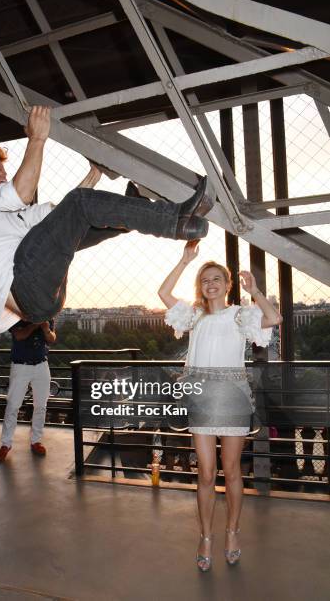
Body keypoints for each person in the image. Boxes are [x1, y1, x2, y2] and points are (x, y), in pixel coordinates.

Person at [0, 106, 215, 335]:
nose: (2, 178)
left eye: (3, 173)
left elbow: (63, 214)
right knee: (80, 203)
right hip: (24, 287)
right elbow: (22, 193)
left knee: (79, 218)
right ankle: (175, 220)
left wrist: (94, 174)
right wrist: (37, 138)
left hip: (43, 299)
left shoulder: (13, 219)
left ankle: (138, 207)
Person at [158, 240, 282, 572]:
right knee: (206, 473)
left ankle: (232, 532)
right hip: (201, 397)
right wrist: (185, 261)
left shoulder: (241, 315)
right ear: (201, 286)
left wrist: (255, 291)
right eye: (205, 279)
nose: (211, 284)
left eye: (217, 279)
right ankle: (205, 537)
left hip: (232, 397)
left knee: (232, 471)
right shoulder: (194, 316)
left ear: (227, 285)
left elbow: (274, 317)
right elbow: (164, 292)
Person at [0, 319, 56, 463]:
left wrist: (46, 329)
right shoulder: (16, 315)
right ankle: (6, 444)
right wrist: (36, 324)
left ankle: (36, 440)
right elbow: (19, 335)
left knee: (41, 405)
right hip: (21, 366)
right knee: (13, 405)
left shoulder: (47, 315)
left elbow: (52, 338)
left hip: (41, 365)